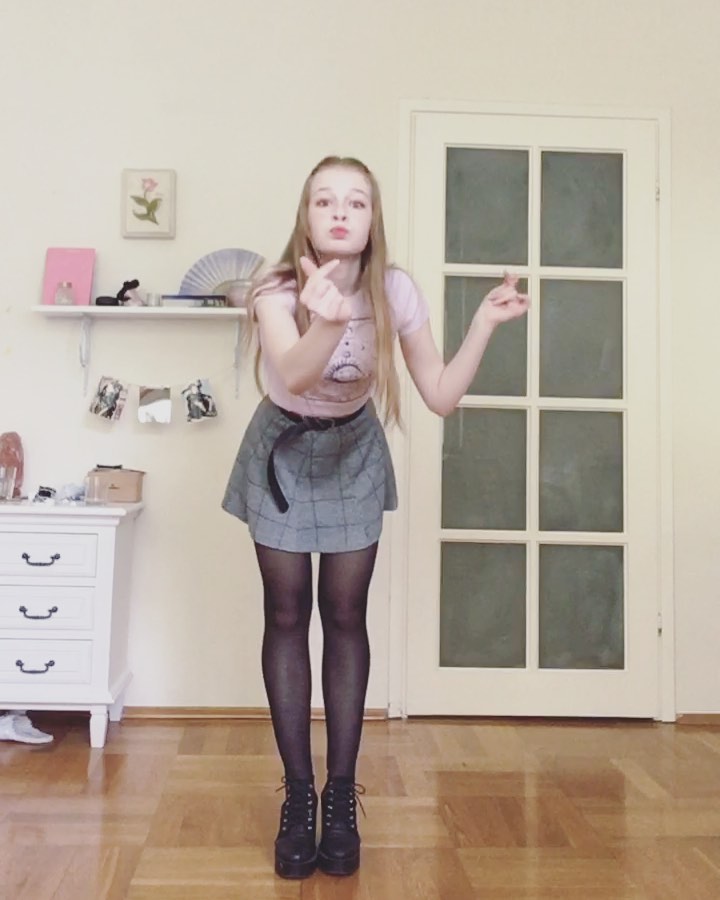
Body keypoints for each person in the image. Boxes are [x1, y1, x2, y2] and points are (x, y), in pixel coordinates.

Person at [221, 156, 529, 879]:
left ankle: (339, 798)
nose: (339, 211)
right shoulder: (277, 291)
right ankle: (299, 796)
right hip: (282, 454)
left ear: (371, 219)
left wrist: (483, 323)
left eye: (355, 202)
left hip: (353, 452)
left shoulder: (395, 290)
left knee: (346, 616)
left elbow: (440, 395)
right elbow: (295, 373)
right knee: (287, 616)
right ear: (306, 216)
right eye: (325, 200)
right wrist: (326, 319)